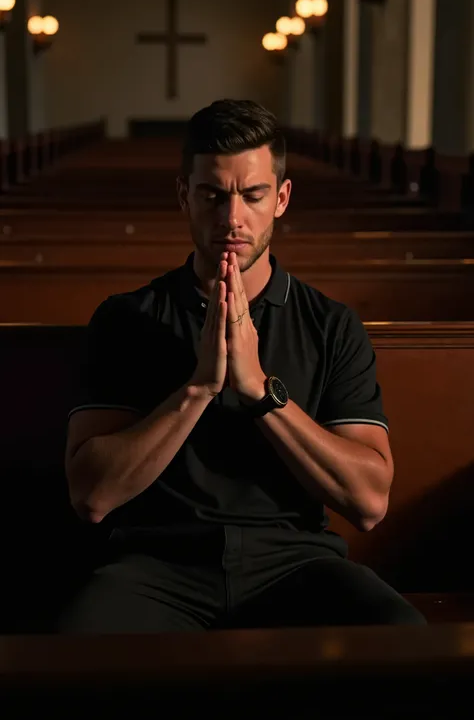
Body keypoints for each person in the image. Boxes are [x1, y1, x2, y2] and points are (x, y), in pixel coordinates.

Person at [59, 99, 426, 632]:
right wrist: (198, 388)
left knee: (405, 641)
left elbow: (369, 501)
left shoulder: (332, 325)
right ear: (185, 195)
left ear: (280, 199)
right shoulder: (125, 319)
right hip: (157, 567)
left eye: (252, 196)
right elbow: (91, 497)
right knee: (72, 656)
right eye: (212, 195)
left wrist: (260, 391)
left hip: (295, 564)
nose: (232, 218)